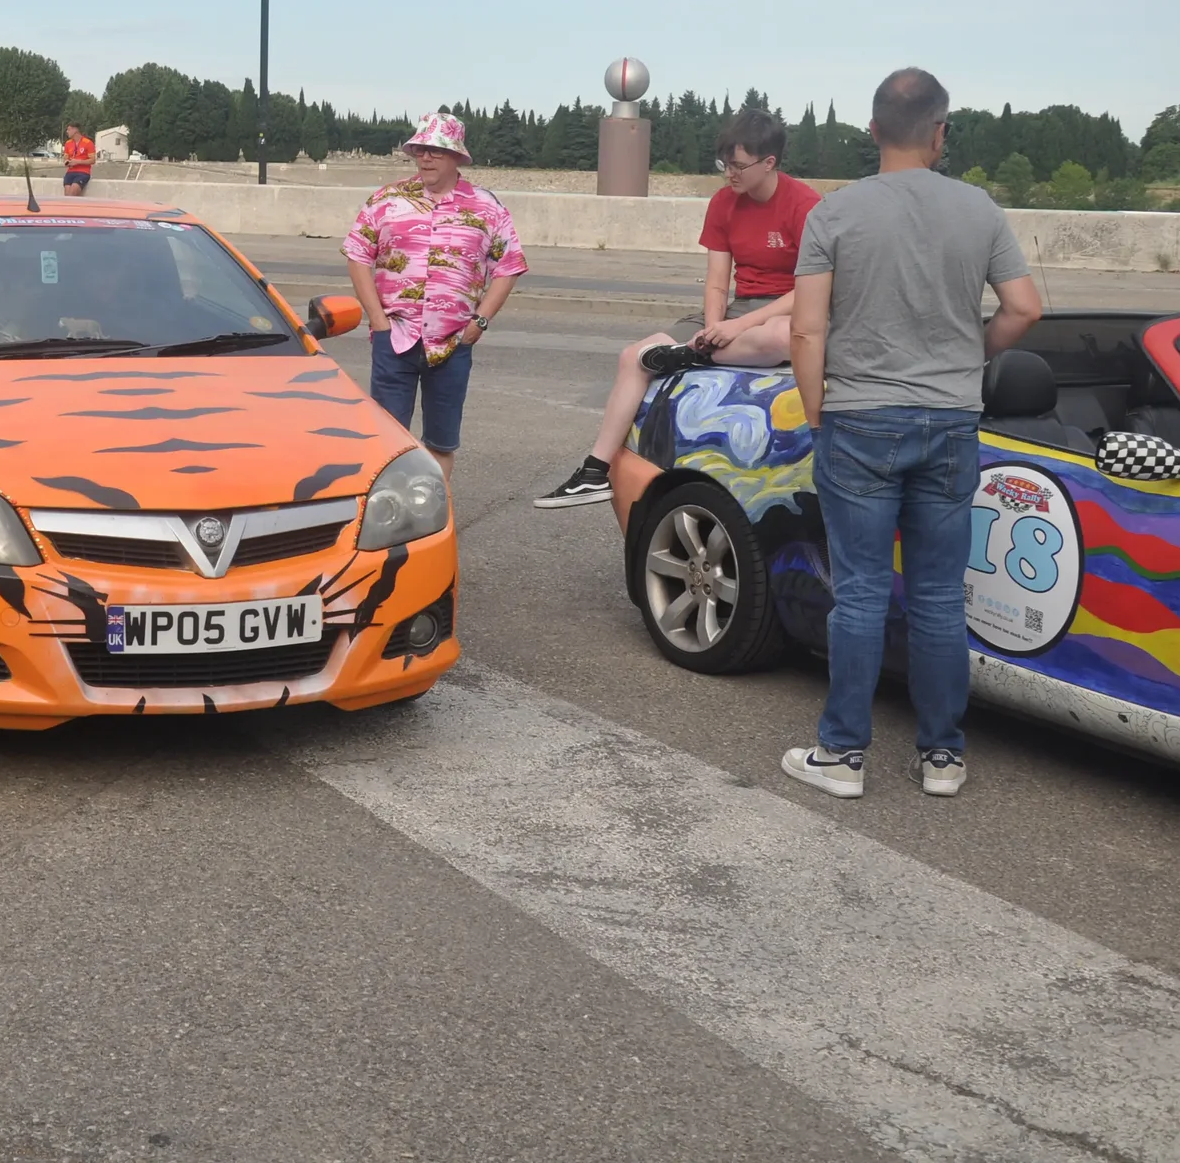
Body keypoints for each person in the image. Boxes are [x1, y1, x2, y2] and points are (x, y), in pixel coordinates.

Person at [782, 68, 1042, 801]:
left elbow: (805, 329)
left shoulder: (835, 212)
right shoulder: (978, 208)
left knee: (861, 593)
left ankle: (842, 756)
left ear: (872, 131)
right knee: (936, 596)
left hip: (859, 418)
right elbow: (1024, 308)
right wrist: (970, 357)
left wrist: (818, 412)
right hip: (951, 421)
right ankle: (943, 756)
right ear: (940, 132)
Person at [537, 107, 819, 508]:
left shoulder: (804, 205)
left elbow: (810, 290)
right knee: (634, 356)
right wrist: (713, 326)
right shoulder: (723, 203)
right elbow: (717, 281)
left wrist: (736, 329)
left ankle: (693, 355)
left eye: (738, 166)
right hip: (739, 308)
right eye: (724, 164)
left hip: (786, 310)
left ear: (769, 162)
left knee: (780, 337)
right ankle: (594, 471)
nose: (729, 174)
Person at [342, 113, 527, 484]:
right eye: (420, 150)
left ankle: (434, 511)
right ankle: (392, 511)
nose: (425, 157)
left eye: (436, 151)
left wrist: (480, 322)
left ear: (456, 156)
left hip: (453, 342)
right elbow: (357, 254)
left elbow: (508, 266)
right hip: (395, 338)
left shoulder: (487, 207)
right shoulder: (387, 200)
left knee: (441, 444)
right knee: (388, 441)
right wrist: (377, 320)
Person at [62, 122, 96, 196]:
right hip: (70, 172)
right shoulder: (68, 143)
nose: (67, 131)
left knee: (72, 193)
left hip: (82, 172)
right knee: (67, 195)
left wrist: (78, 162)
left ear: (75, 130)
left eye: (69, 129)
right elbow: (65, 158)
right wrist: (67, 162)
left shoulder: (88, 143)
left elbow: (93, 160)